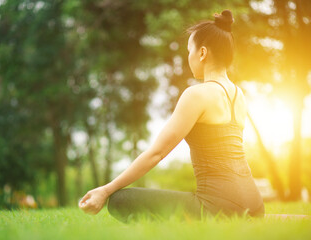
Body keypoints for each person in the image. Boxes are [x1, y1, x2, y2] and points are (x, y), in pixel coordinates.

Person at [78, 9, 265, 223]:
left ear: (202, 53)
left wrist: (106, 190)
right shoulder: (238, 94)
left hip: (218, 207)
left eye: (189, 51)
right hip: (254, 204)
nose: (189, 58)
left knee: (121, 199)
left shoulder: (197, 94)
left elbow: (157, 153)